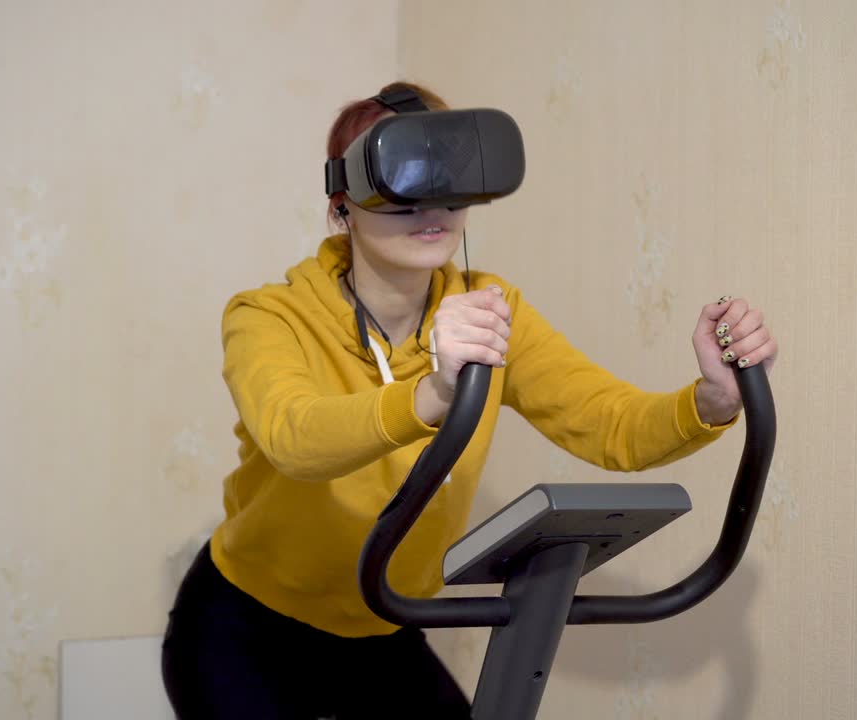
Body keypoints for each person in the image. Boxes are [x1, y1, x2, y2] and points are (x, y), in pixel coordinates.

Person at [160, 81, 779, 720]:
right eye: (403, 181)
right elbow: (295, 438)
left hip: (383, 628)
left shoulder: (491, 311)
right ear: (343, 203)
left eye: (449, 179)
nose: (432, 206)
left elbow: (608, 425)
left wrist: (710, 399)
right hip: (247, 631)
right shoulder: (269, 316)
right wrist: (432, 392)